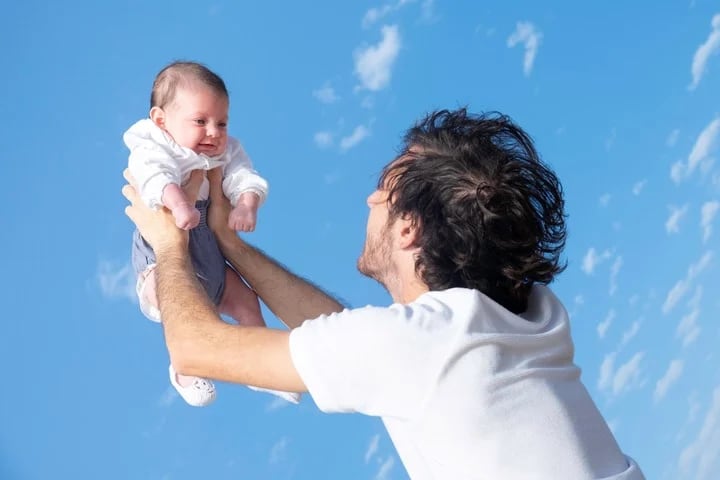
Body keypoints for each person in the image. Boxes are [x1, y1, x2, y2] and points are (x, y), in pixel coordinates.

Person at [122, 108, 645, 479]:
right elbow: (352, 335)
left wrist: (169, 244)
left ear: (407, 231)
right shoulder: (529, 313)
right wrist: (229, 244)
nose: (370, 196)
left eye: (384, 188)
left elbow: (194, 349)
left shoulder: (423, 348)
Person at [124, 60, 298, 407]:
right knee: (182, 309)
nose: (214, 132)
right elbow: (151, 175)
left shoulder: (225, 150)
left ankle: (261, 366)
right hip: (165, 254)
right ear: (162, 121)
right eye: (200, 121)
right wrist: (179, 203)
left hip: (209, 251)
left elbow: (244, 176)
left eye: (222, 122)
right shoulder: (155, 144)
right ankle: (186, 368)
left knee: (247, 300)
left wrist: (247, 204)